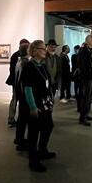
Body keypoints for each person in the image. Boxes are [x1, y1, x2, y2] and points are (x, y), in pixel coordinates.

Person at [21, 40, 55, 173]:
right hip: (35, 104)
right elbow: (27, 89)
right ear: (35, 50)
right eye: (42, 48)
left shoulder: (42, 65)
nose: (45, 50)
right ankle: (33, 161)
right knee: (34, 133)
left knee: (48, 126)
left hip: (45, 103)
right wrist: (33, 106)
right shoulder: (29, 67)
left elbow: (46, 83)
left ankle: (42, 150)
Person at [6, 39, 30, 127]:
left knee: (16, 99)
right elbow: (13, 70)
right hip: (17, 82)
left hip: (19, 81)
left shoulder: (16, 55)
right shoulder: (16, 56)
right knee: (16, 99)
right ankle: (12, 118)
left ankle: (13, 118)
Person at [14, 44, 31, 151]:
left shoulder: (19, 61)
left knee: (21, 118)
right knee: (24, 118)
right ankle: (21, 141)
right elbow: (24, 81)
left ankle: (19, 139)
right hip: (24, 94)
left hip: (20, 93)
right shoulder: (25, 63)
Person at [77, 35, 92, 126]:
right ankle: (82, 118)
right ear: (88, 40)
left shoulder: (91, 51)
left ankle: (86, 114)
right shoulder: (83, 51)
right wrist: (87, 75)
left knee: (89, 98)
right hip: (87, 78)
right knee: (85, 98)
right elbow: (83, 66)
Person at [71, 45, 81, 109]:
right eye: (75, 50)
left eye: (76, 49)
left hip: (80, 73)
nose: (75, 51)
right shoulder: (73, 56)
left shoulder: (81, 55)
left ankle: (78, 95)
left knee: (79, 84)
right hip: (75, 72)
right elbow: (73, 64)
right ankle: (76, 95)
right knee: (76, 84)